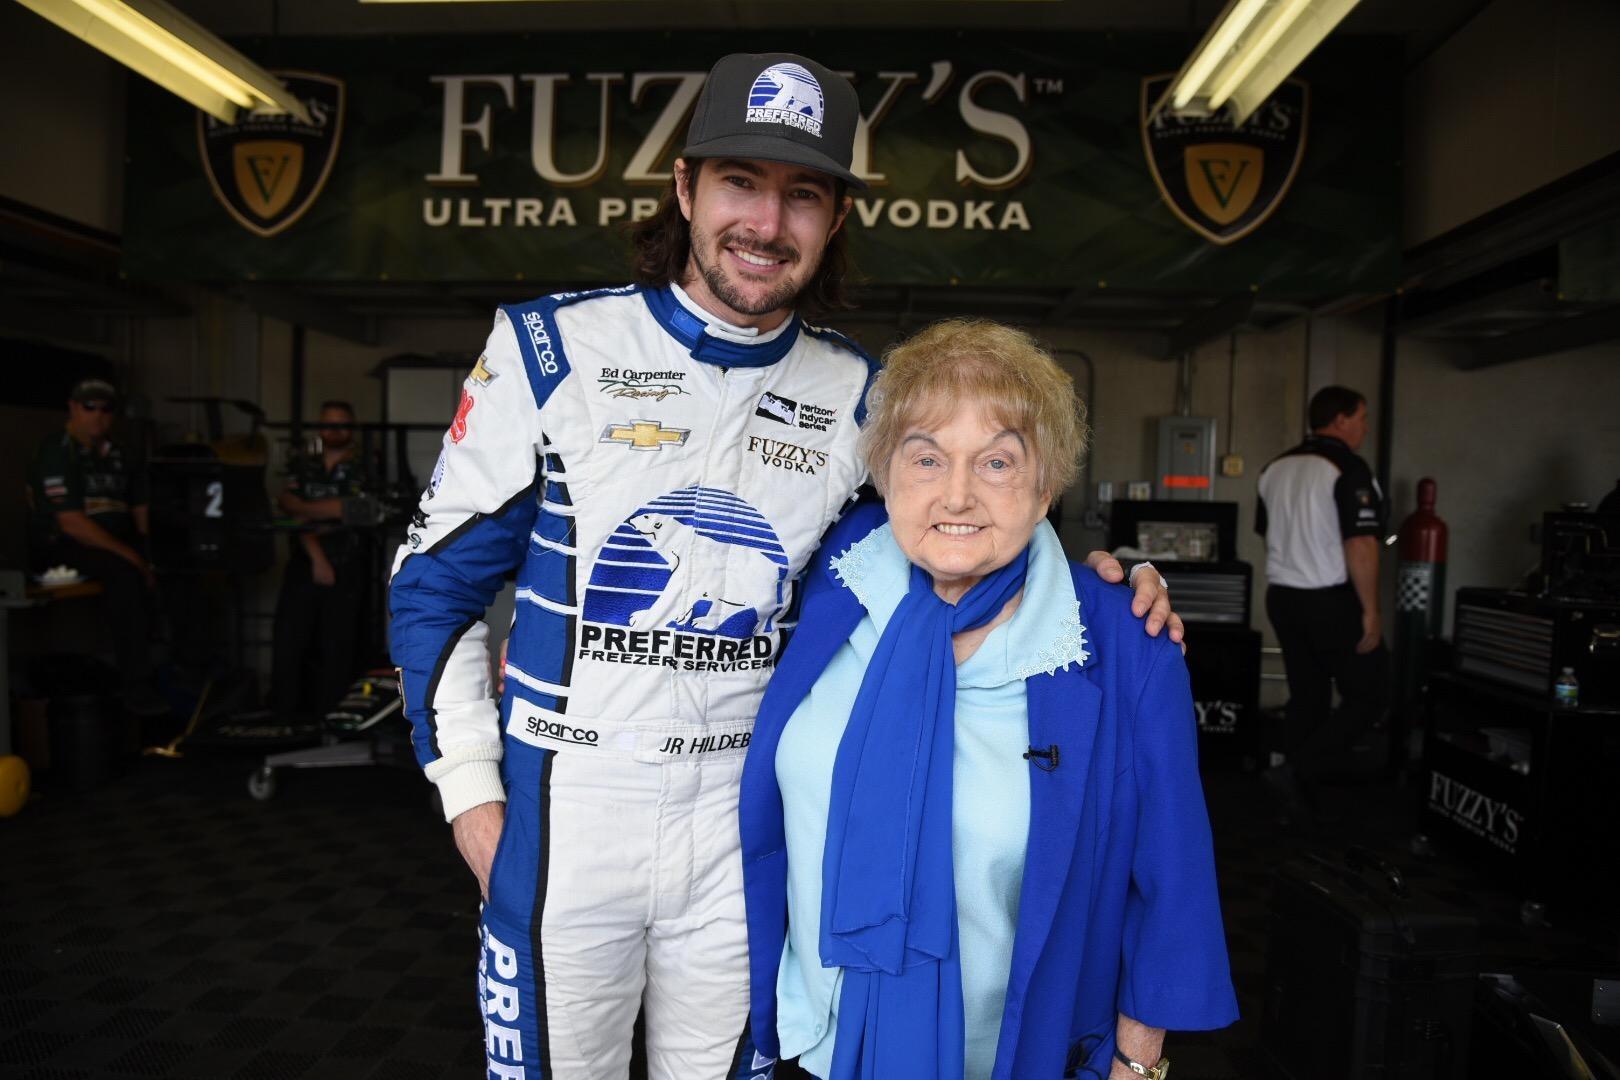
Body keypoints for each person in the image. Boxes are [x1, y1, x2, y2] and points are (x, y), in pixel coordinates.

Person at [389, 53, 1181, 1080]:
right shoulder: (550, 348)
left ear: (836, 216)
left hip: (745, 817)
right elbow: (434, 586)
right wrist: (470, 795)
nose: (766, 224)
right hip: (567, 803)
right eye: (739, 184)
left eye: (802, 194)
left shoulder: (863, 394)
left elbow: (951, 537)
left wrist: (1094, 583)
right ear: (684, 187)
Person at [739, 320, 1236, 1080]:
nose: (957, 493)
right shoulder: (839, 578)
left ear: (1045, 487)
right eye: (927, 457)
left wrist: (1136, 1069)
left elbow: (1173, 882)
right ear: (884, 474)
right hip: (816, 1043)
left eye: (998, 461)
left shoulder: (1120, 638)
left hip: (1014, 1057)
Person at [1255, 385, 1389, 821]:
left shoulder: (1275, 467)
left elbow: (1267, 530)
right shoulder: (1348, 468)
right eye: (1362, 417)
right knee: (1371, 694)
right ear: (1341, 420)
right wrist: (1370, 610)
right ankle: (1298, 773)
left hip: (1283, 598)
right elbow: (1362, 545)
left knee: (1308, 698)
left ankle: (1295, 801)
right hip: (1329, 600)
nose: (1365, 427)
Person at [27, 377, 165, 716]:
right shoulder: (57, 451)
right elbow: (71, 522)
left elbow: (140, 507)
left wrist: (150, 554)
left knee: (171, 567)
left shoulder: (120, 453)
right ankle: (138, 686)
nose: (99, 415)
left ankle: (182, 671)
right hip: (62, 549)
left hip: (115, 544)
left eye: (106, 408)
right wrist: (135, 558)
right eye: (90, 407)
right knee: (124, 572)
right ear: (73, 408)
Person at [270, 400, 367, 718]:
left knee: (337, 645)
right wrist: (315, 546)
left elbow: (351, 509)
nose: (334, 430)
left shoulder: (365, 465)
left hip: (348, 561)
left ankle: (333, 720)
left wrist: (305, 508)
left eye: (341, 424)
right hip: (305, 560)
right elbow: (285, 504)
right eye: (328, 424)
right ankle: (286, 716)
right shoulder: (304, 464)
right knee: (290, 639)